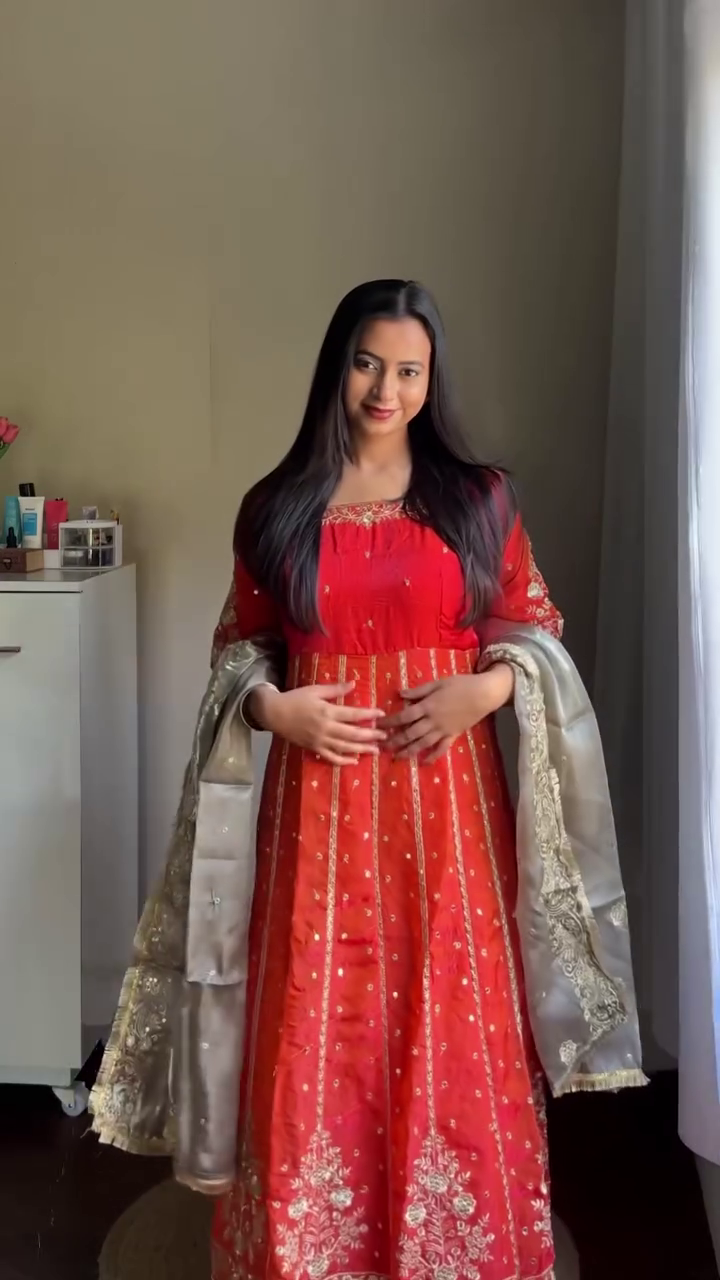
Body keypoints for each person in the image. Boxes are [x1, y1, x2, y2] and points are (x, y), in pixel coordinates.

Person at [209, 280, 563, 1280]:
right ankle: (313, 1248)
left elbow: (539, 631)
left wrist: (484, 690)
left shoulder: (479, 498)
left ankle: (454, 1248)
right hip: (318, 812)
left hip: (446, 806)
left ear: (431, 379)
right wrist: (275, 709)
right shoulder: (276, 507)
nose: (386, 389)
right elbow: (238, 652)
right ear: (338, 364)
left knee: (447, 1010)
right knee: (320, 1016)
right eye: (369, 362)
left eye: (409, 369)